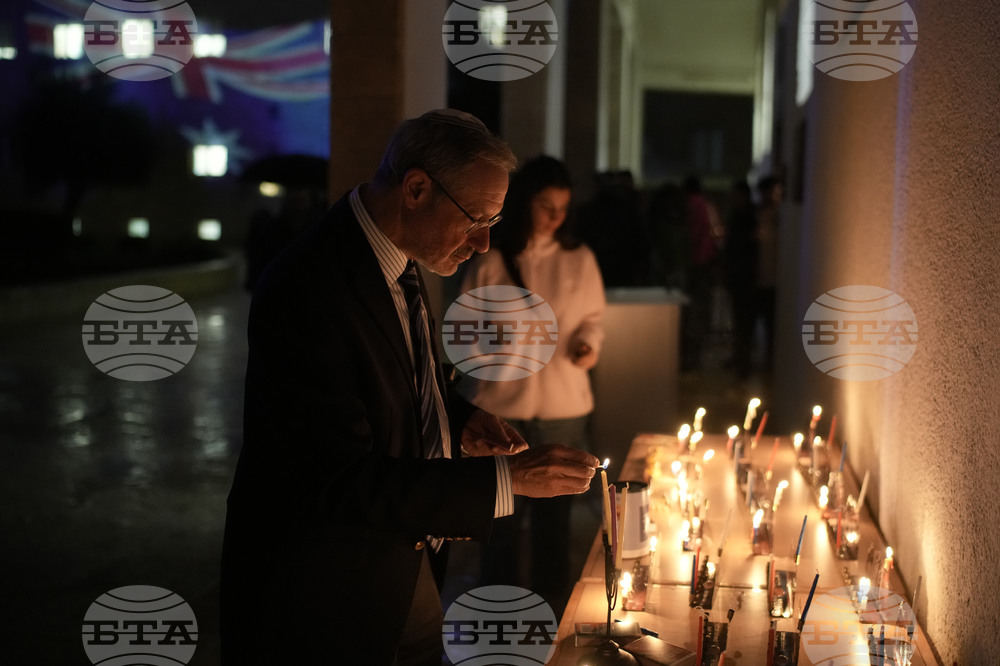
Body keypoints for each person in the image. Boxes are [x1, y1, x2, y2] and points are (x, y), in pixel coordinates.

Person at [220, 110, 601, 666]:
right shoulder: (310, 288)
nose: (482, 242)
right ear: (418, 188)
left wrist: (458, 416)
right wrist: (506, 480)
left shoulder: (399, 256)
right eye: (476, 218)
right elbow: (339, 481)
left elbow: (398, 373)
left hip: (403, 562)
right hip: (328, 594)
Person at [456, 155, 605, 611]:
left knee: (555, 520)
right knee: (499, 519)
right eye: (546, 205)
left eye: (563, 206)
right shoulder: (493, 258)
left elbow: (594, 319)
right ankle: (498, 605)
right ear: (525, 203)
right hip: (503, 405)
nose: (556, 216)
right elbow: (463, 327)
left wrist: (586, 344)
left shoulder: (579, 258)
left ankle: (552, 606)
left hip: (563, 405)